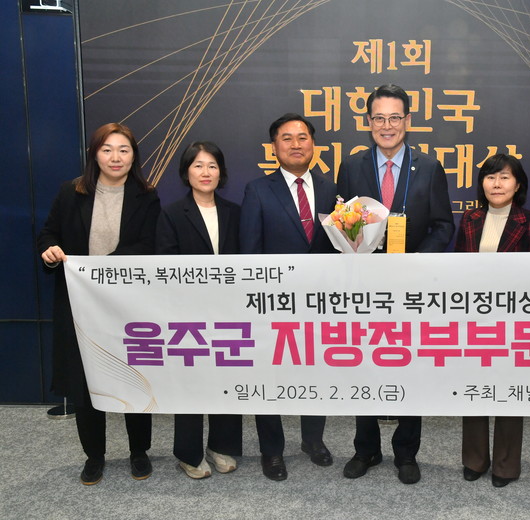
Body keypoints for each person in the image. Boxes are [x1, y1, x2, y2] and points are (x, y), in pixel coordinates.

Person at [336, 83, 455, 484]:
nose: (387, 126)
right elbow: (343, 223)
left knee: (408, 364)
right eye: (379, 118)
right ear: (368, 122)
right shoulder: (351, 166)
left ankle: (406, 452)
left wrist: (415, 263)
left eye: (394, 118)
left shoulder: (430, 168)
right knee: (364, 364)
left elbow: (443, 226)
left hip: (412, 285)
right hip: (365, 285)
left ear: (408, 120)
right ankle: (365, 449)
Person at [37, 123, 160, 485]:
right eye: (107, 149)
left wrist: (102, 268)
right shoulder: (71, 192)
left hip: (128, 305)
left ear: (134, 155)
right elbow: (48, 233)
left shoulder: (147, 195)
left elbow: (149, 245)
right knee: (85, 379)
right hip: (80, 304)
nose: (115, 157)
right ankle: (94, 456)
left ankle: (139, 451)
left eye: (124, 149)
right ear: (95, 154)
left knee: (134, 377)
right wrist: (50, 251)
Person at [239, 113, 337, 481]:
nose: (296, 144)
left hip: (320, 302)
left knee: (317, 372)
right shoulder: (257, 190)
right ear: (274, 147)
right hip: (273, 304)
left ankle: (313, 440)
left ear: (313, 144)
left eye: (302, 137)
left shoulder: (331, 189)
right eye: (287, 138)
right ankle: (272, 450)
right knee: (269, 375)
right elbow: (249, 251)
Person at [455, 154, 530, 487]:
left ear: (518, 184)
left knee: (510, 390)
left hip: (515, 319)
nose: (497, 184)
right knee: (475, 389)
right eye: (491, 177)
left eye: (505, 177)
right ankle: (475, 460)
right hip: (474, 318)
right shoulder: (470, 218)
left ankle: (506, 465)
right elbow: (457, 269)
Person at [156, 141, 243, 479]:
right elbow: (165, 265)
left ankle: (221, 446)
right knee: (190, 383)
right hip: (188, 313)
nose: (205, 172)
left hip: (229, 312)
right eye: (198, 165)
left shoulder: (235, 212)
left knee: (227, 378)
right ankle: (189, 453)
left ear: (221, 173)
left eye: (212, 166)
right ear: (186, 172)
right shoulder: (172, 213)